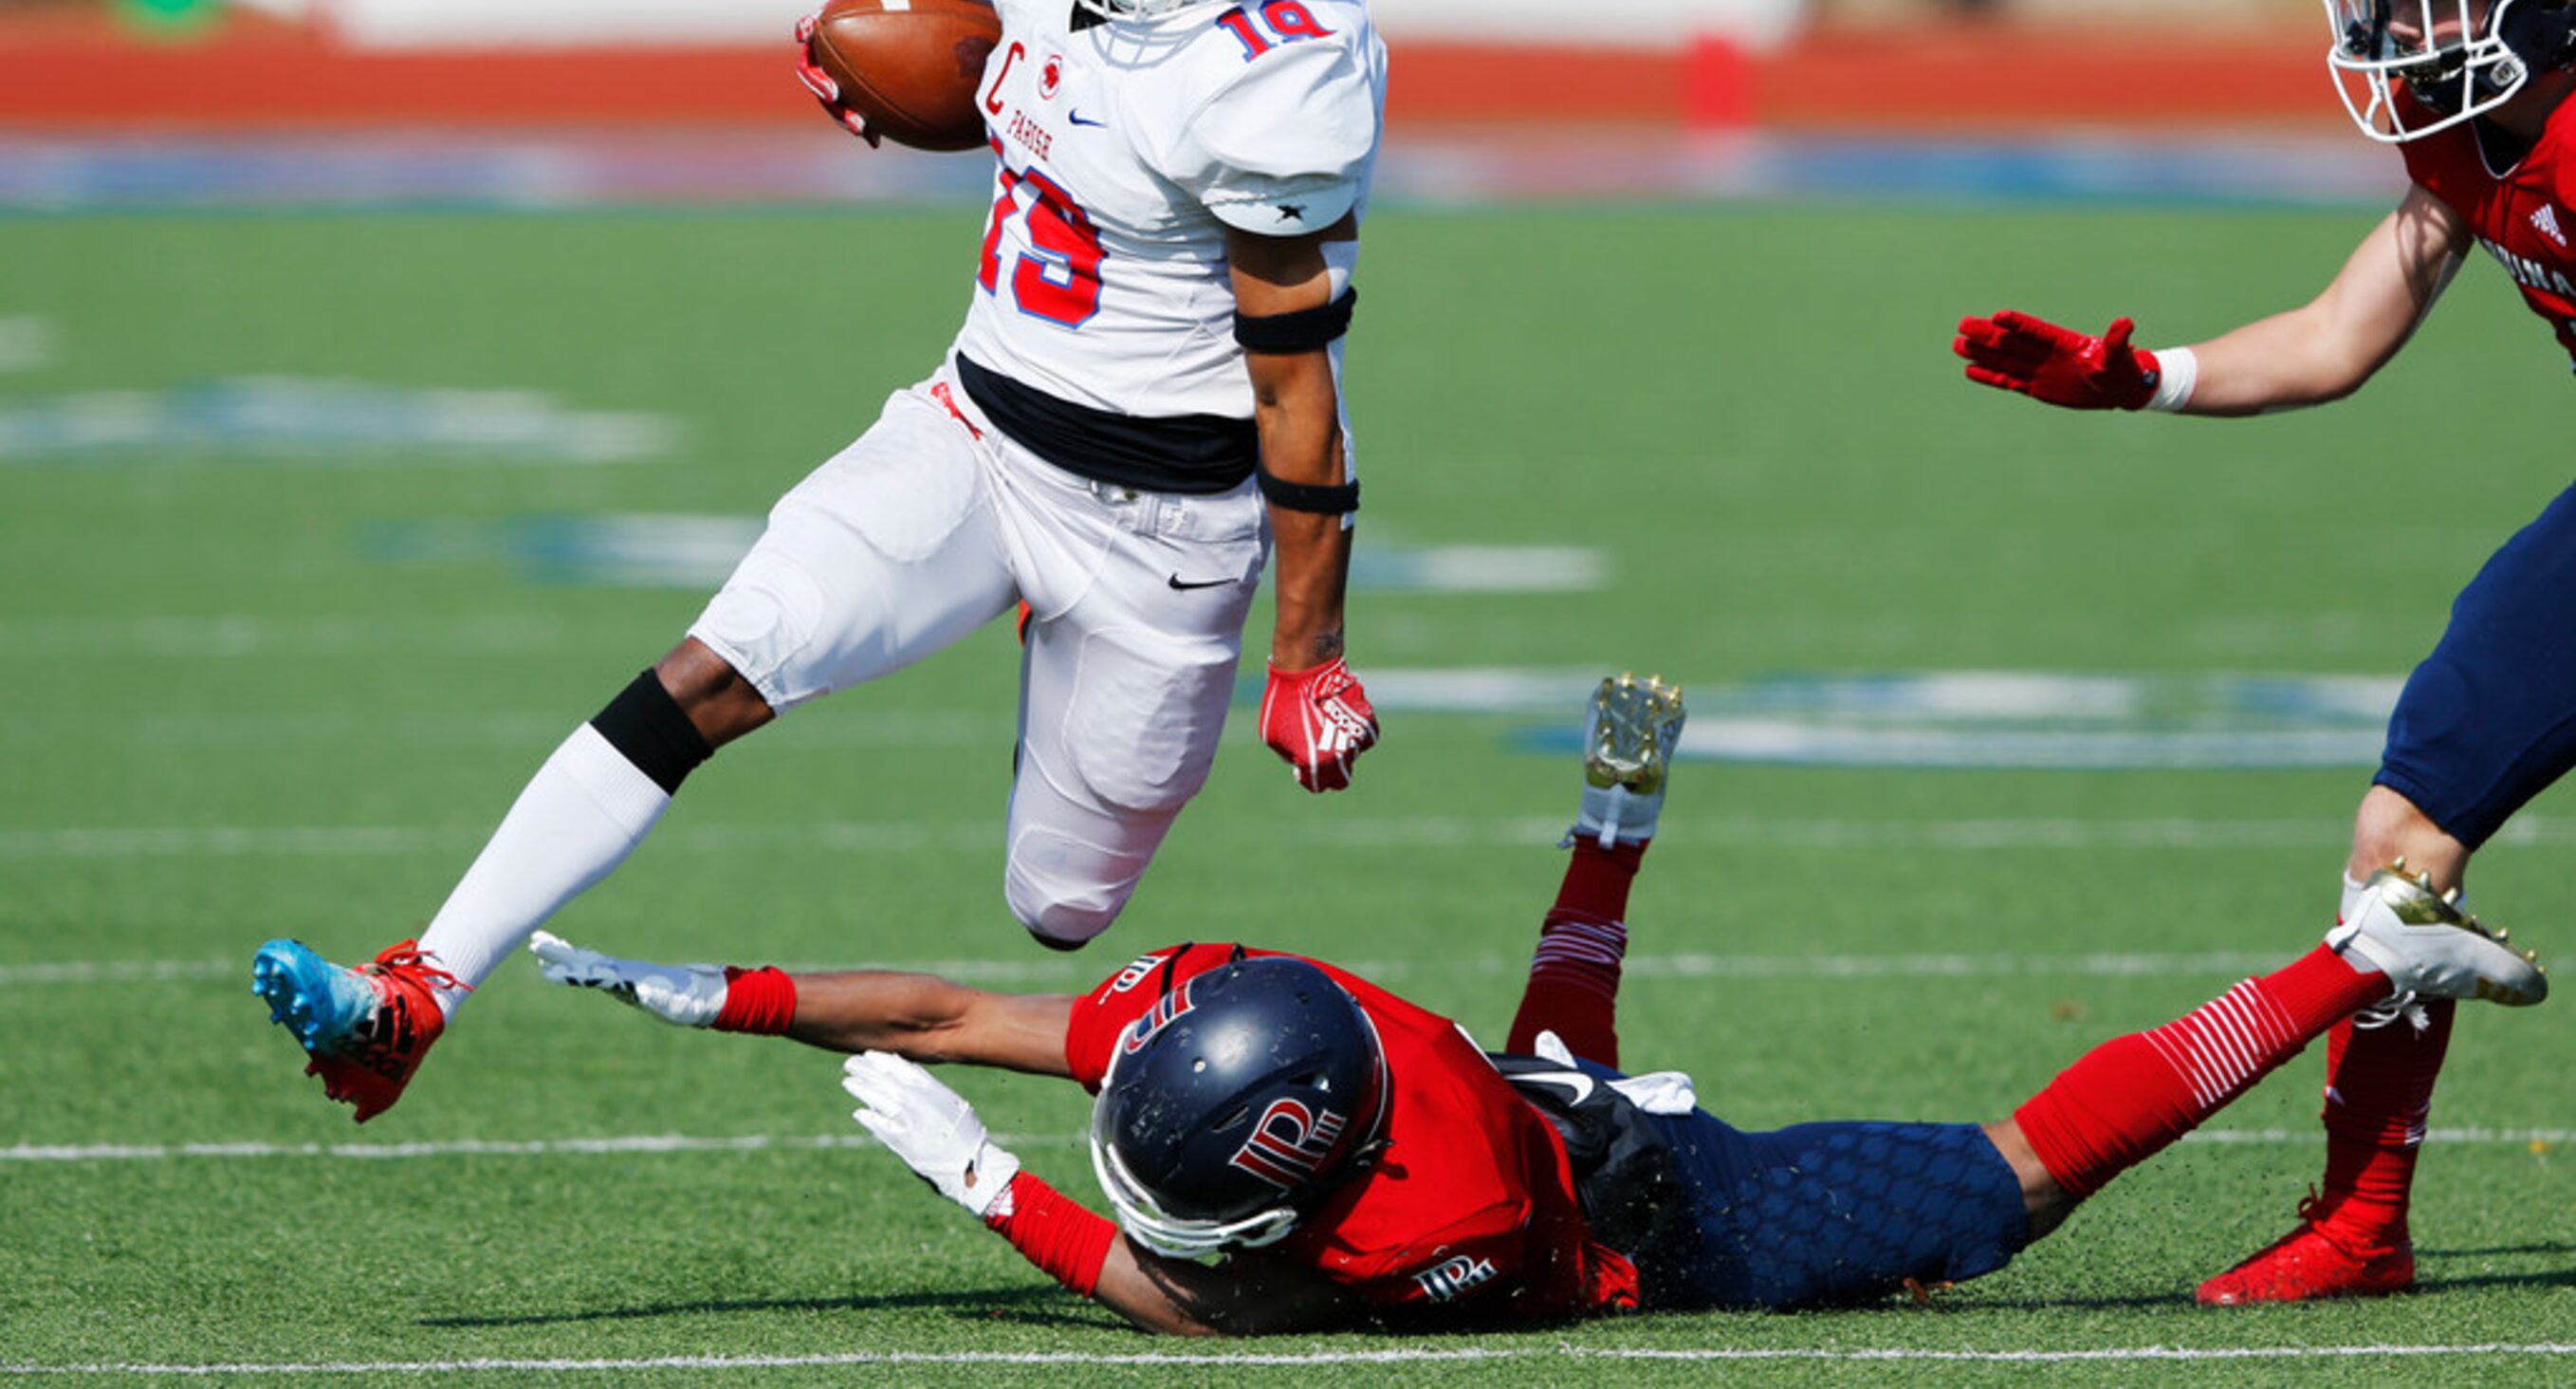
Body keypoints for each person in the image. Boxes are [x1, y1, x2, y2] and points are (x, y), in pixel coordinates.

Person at [251, 0, 1386, 1124]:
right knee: (716, 666)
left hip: (1168, 521)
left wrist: (1309, 653)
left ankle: (1059, 636)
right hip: (973, 431)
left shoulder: (1289, 72)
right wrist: (938, 90)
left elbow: (1296, 383)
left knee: (1060, 905)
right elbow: (1034, 94)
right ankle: (417, 985)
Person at [530, 675, 2543, 1331]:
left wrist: (992, 1203)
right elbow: (959, 1014)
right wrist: (729, 993)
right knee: (1552, 1041)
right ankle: (1609, 825)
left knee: (2012, 1182)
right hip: (1521, 1090)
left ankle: (2353, 959)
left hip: (1652, 1214)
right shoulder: (1251, 1007)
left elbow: (1213, 1309)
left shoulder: (1441, 1228)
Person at [1953, 0, 2576, 1303]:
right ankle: (2363, 1223)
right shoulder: (2468, 127)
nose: (2396, 46)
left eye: (2433, 8)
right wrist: (2141, 376)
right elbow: (2340, 330)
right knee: (2403, 836)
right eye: (2387, 8)